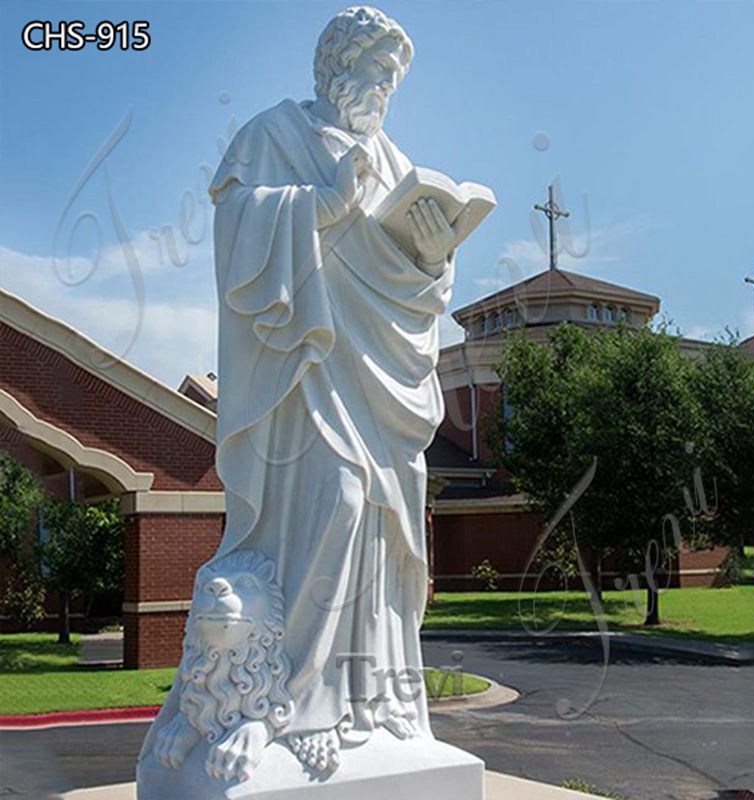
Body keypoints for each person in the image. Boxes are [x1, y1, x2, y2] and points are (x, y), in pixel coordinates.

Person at [143, 5, 461, 776]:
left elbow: (419, 290)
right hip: (305, 376)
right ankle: (293, 703)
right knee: (342, 502)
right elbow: (236, 232)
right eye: (375, 70)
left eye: (394, 77)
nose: (384, 88)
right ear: (336, 66)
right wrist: (318, 206)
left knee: (385, 524)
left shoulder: (393, 161)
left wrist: (431, 257)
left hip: (375, 382)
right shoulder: (274, 135)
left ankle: (369, 700)